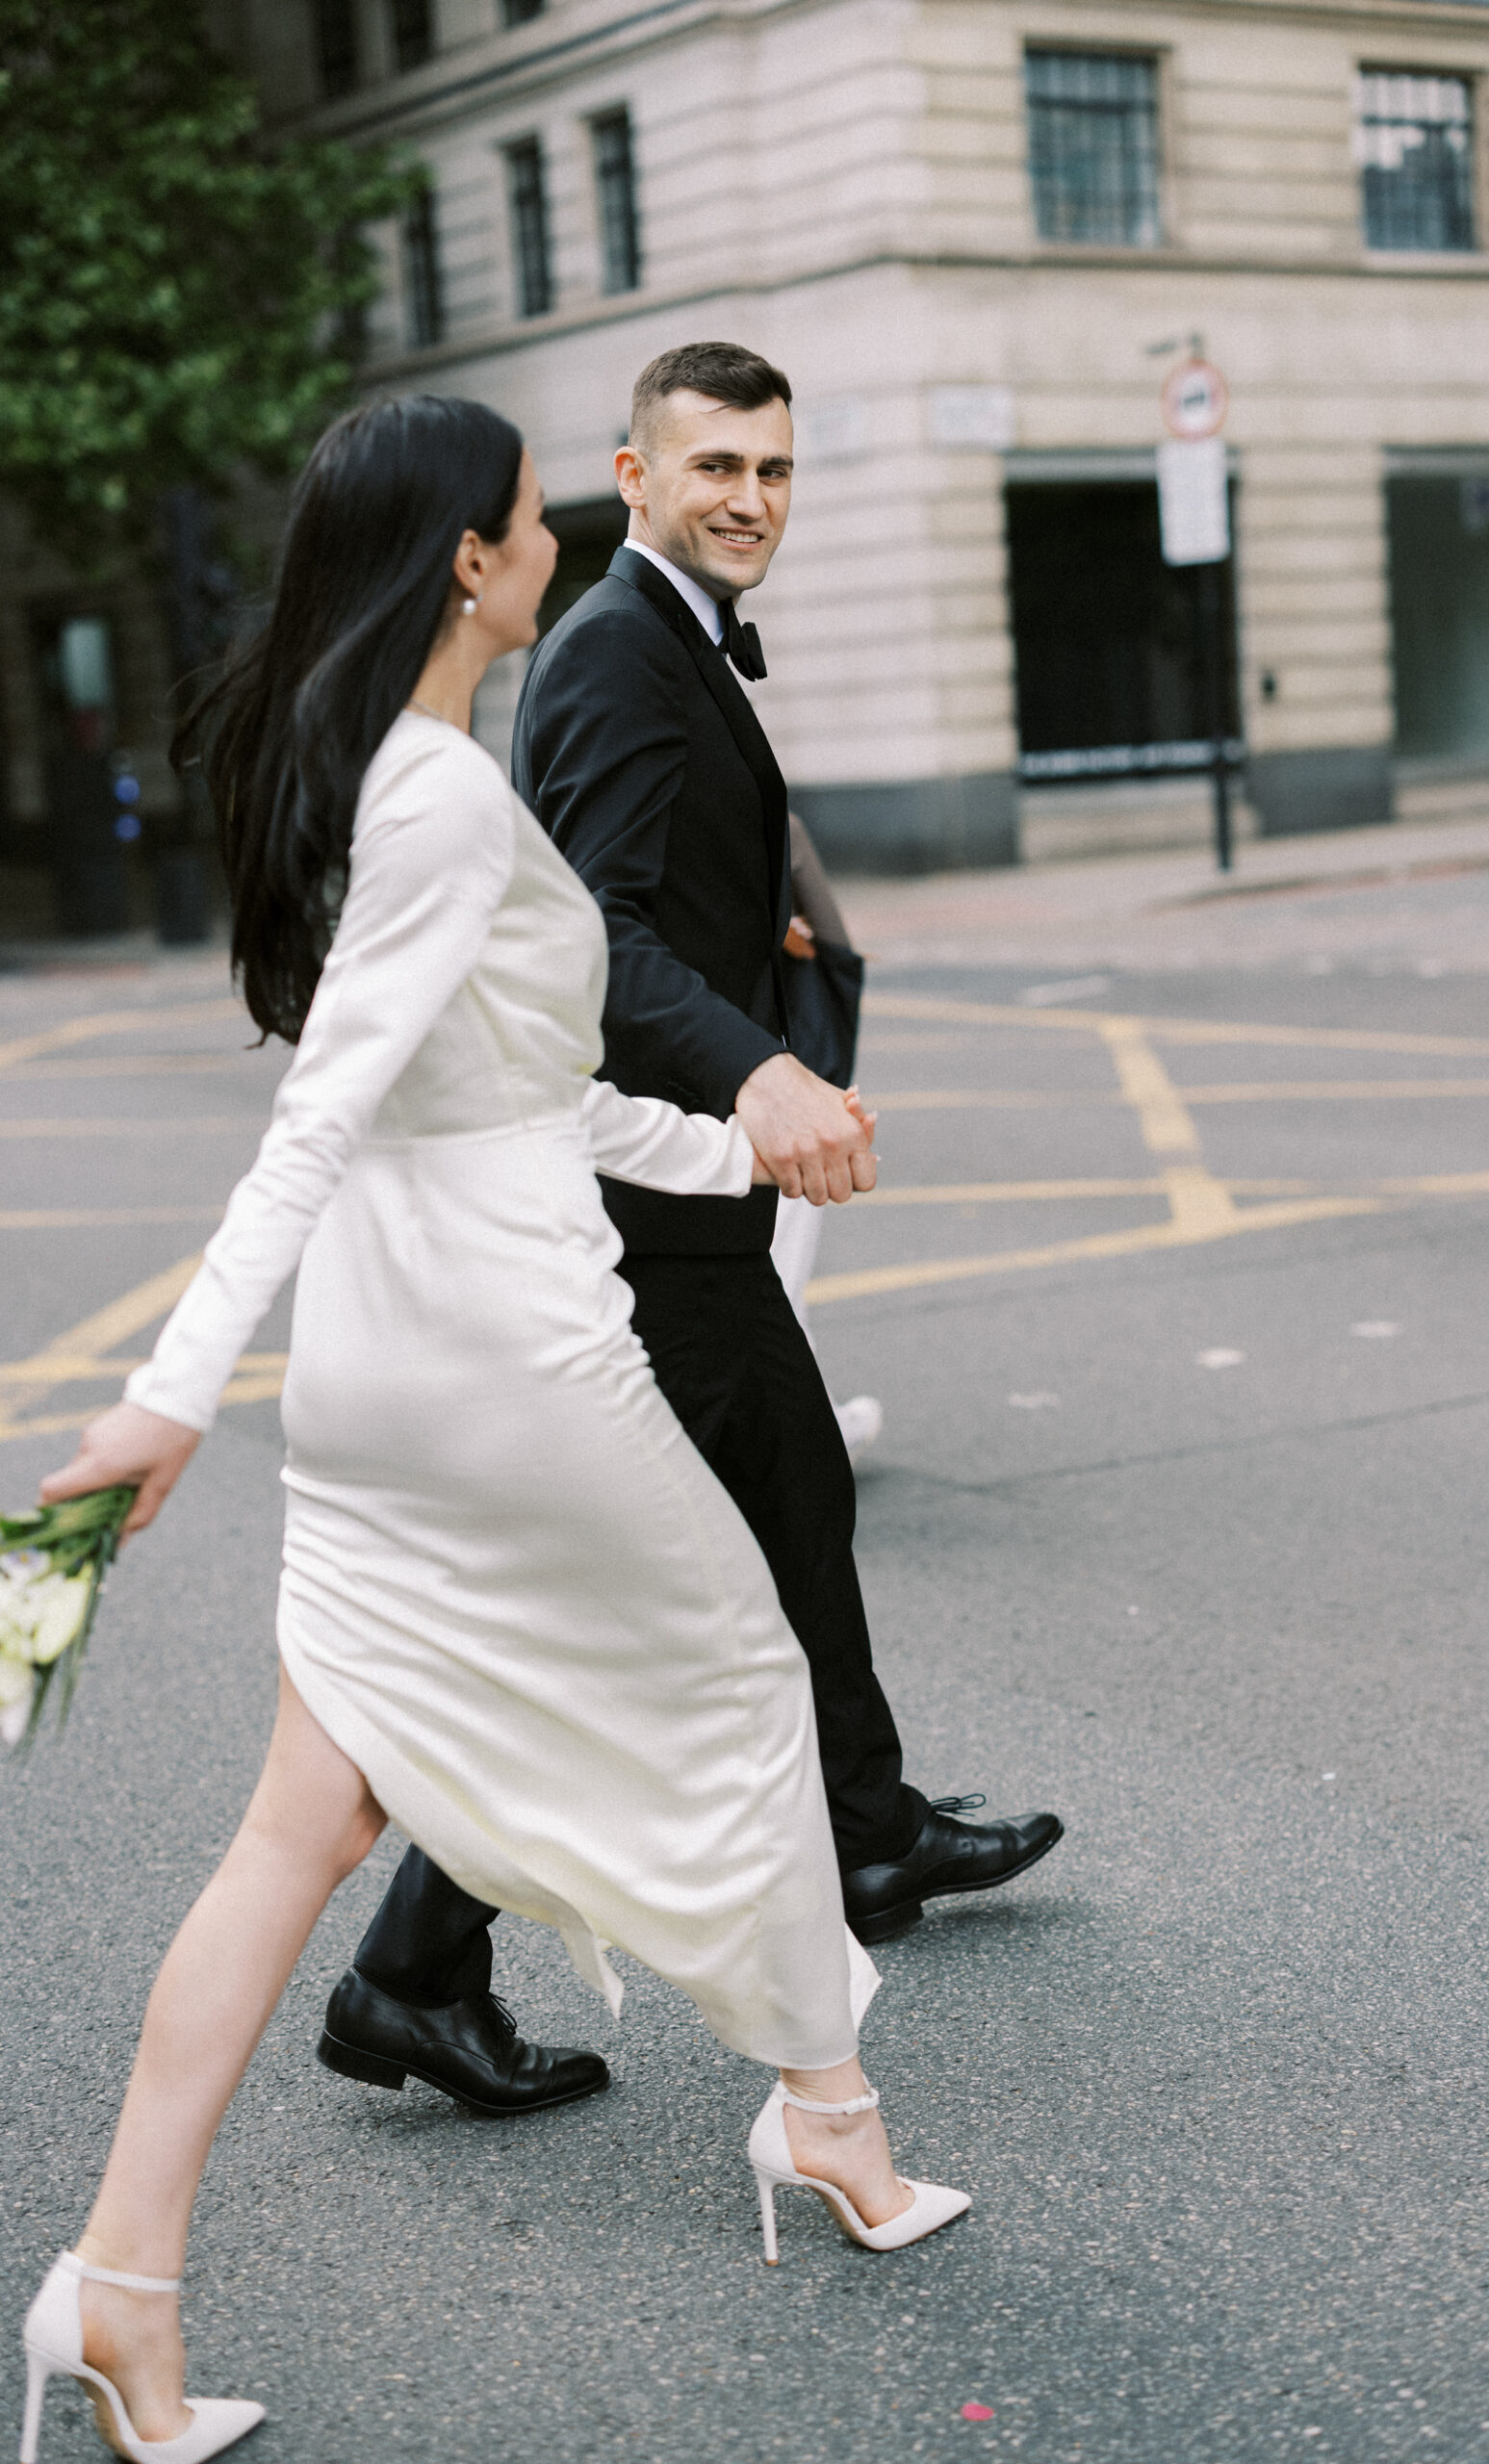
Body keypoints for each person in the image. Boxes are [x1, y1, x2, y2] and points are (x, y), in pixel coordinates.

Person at [18, 395, 967, 2464]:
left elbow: (523, 1094)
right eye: (531, 517)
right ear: (469, 559)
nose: (552, 541)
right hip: (506, 1356)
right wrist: (167, 1394)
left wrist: (738, 1147)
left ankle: (117, 2281)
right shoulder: (442, 793)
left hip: (382, 1377)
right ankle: (828, 2124)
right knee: (746, 1682)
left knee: (306, 1823)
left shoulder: (375, 773)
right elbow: (323, 1114)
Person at [329, 343, 1062, 2118]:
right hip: (639, 1203)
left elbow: (660, 898)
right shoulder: (615, 652)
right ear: (634, 477)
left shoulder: (663, 641)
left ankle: (862, 1827)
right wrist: (755, 1068)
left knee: (790, 1497)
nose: (750, 497)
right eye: (716, 464)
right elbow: (603, 944)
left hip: (671, 1197)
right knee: (608, 1614)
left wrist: (763, 959)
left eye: (774, 469)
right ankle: (408, 1969)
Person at [771, 810, 883, 1459]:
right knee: (777, 1283)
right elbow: (836, 944)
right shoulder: (769, 823)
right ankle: (817, 1439)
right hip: (786, 1077)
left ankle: (820, 1431)